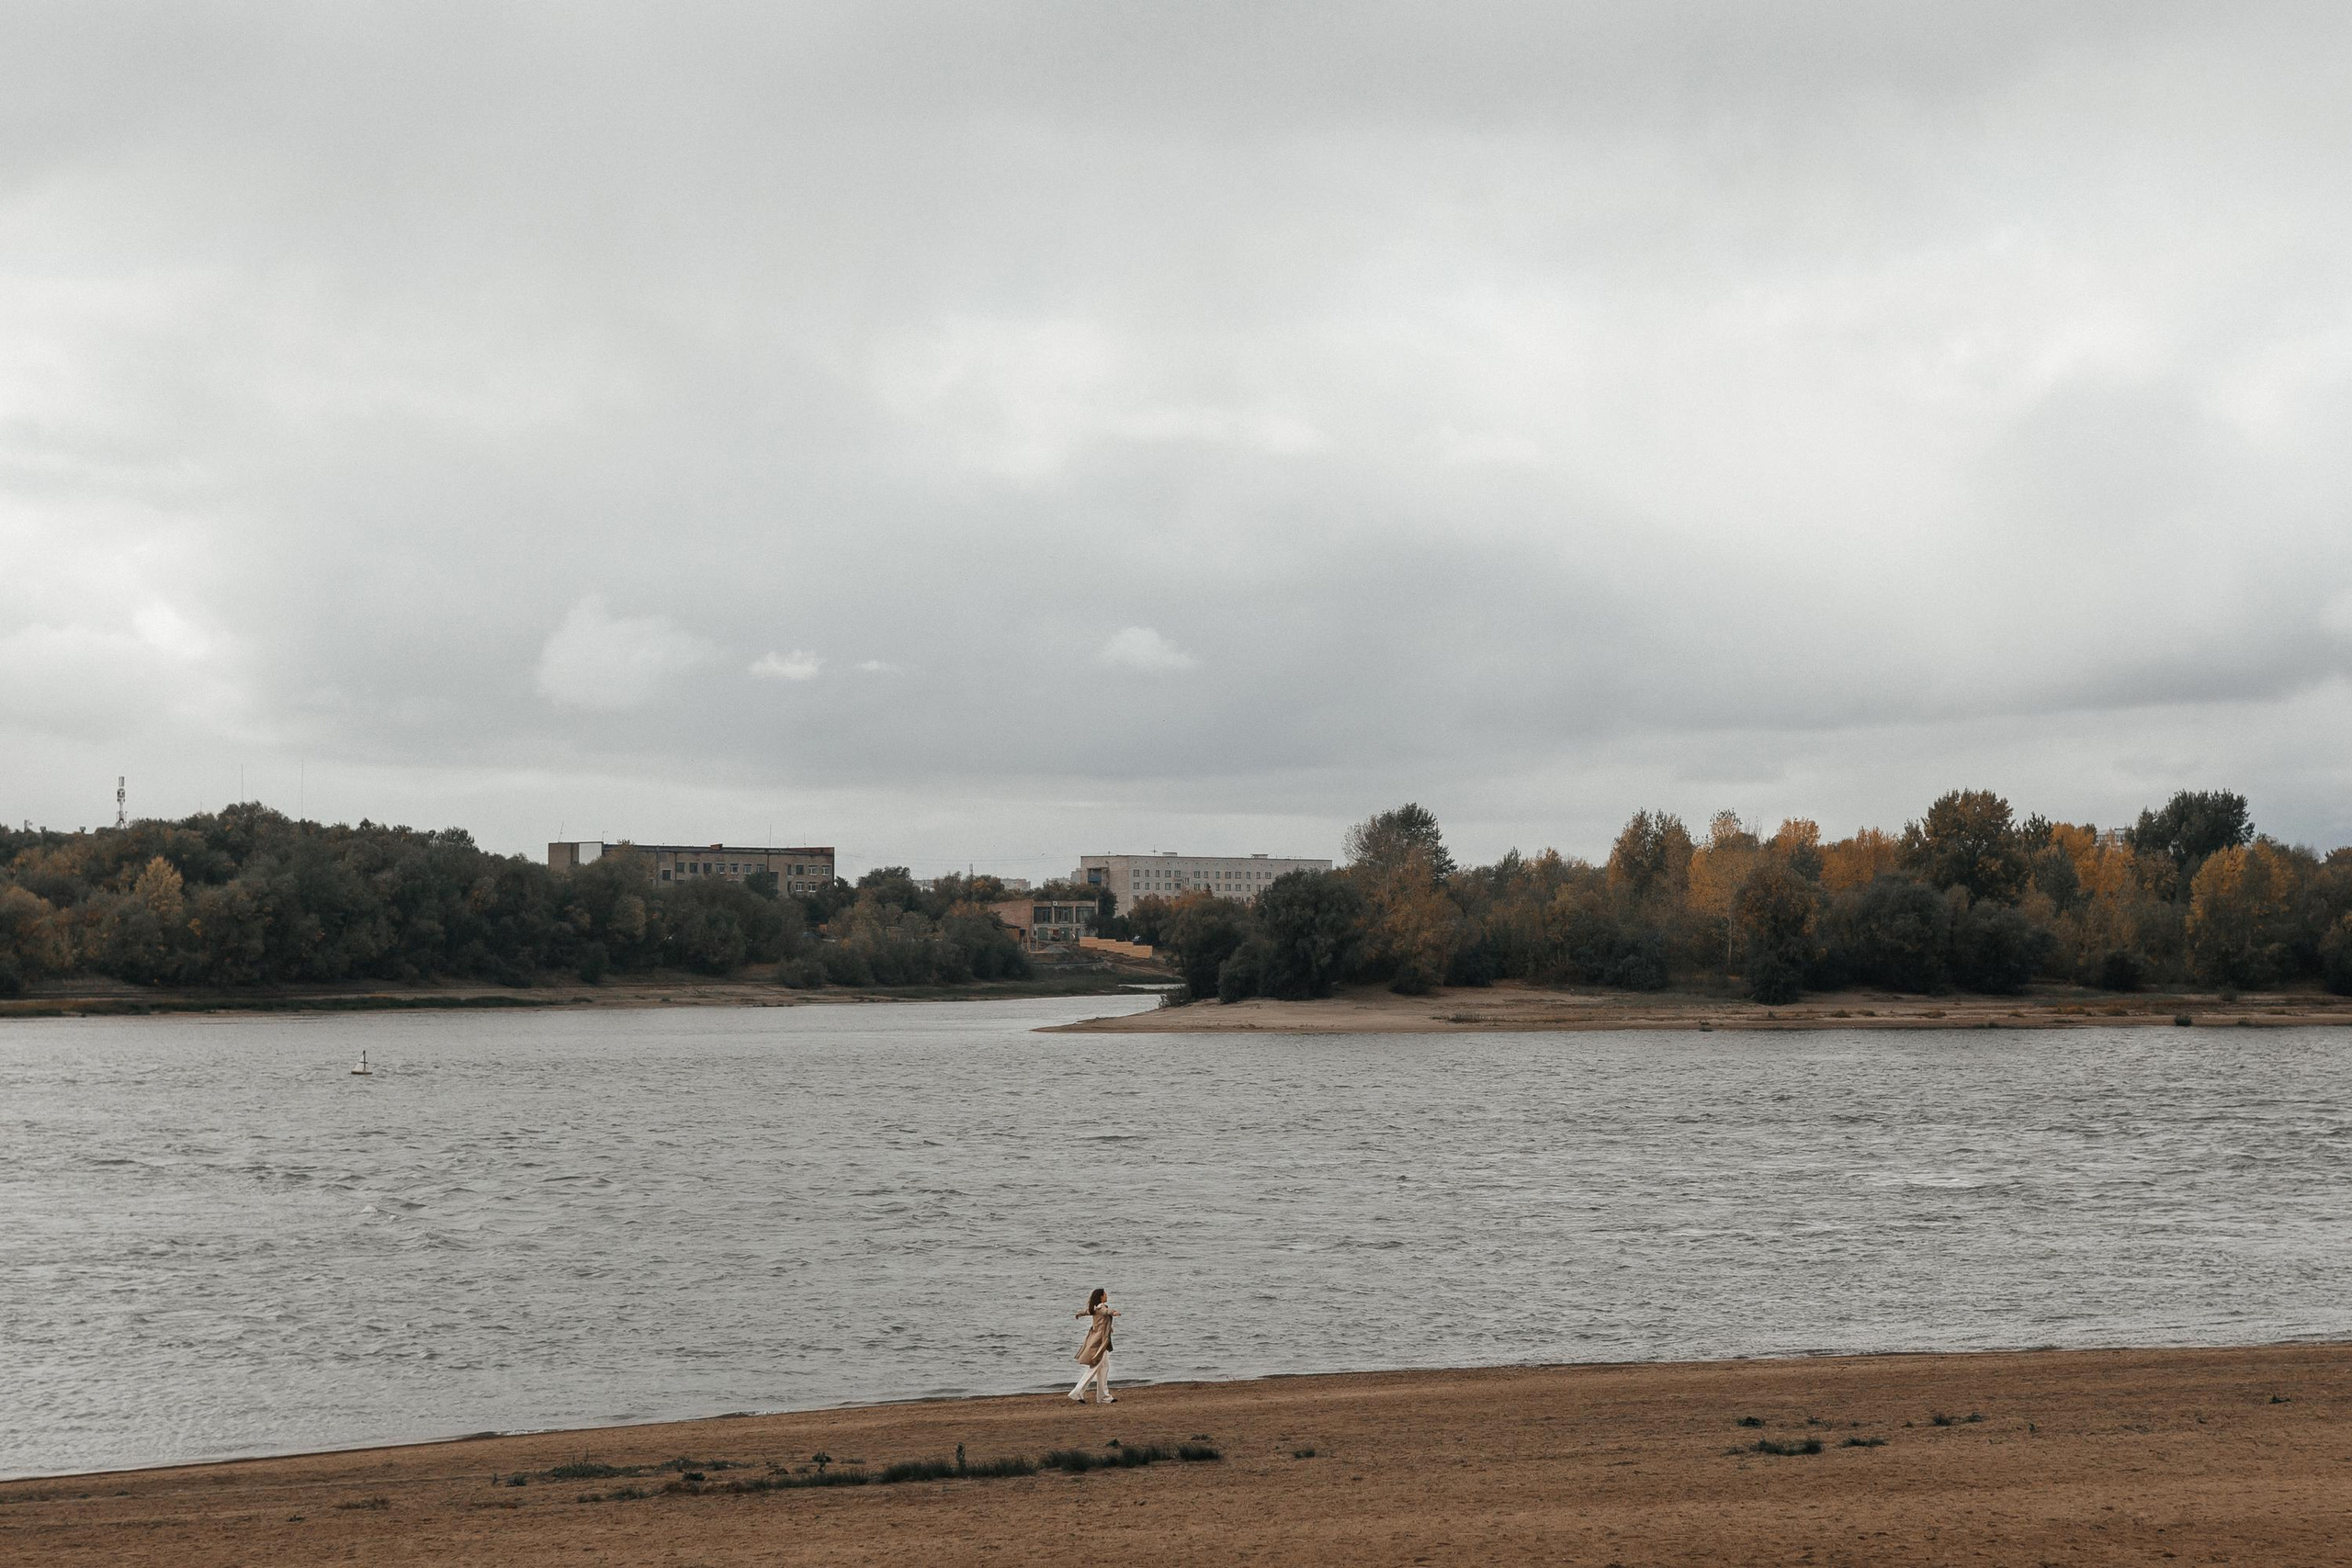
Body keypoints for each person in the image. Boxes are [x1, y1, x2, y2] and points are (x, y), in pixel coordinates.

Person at [1069, 1287, 1118, 1404]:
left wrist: (1079, 1314)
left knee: (1104, 1368)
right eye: (1105, 1294)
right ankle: (1077, 1392)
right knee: (1095, 1367)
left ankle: (1103, 1397)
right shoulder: (1102, 1308)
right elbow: (1106, 1312)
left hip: (1101, 1341)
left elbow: (1088, 1312)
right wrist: (1114, 1312)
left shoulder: (1095, 1309)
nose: (1107, 1296)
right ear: (1101, 1297)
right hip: (1100, 1342)